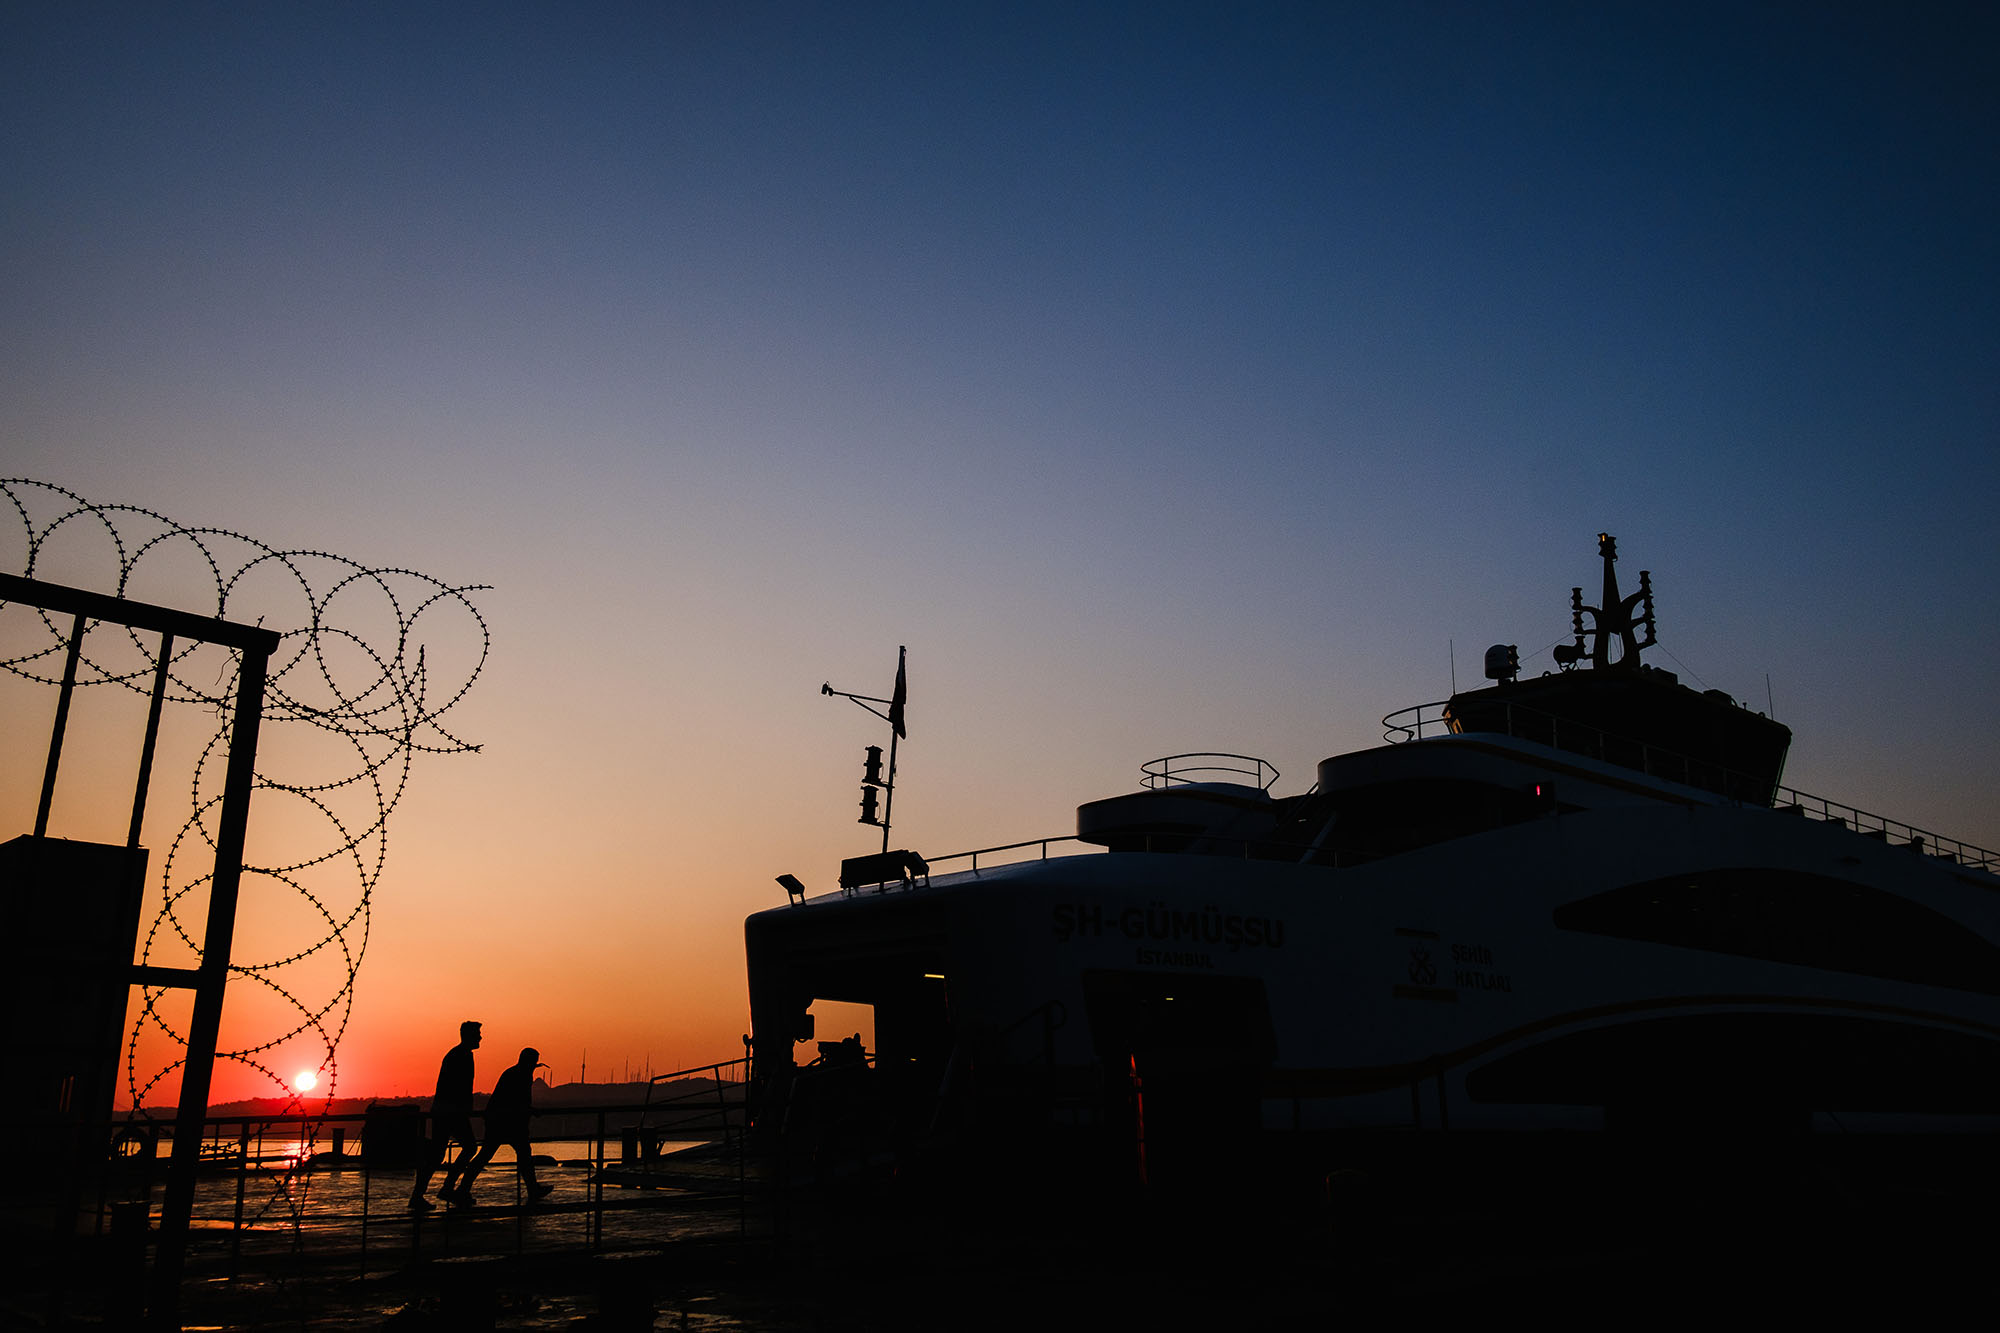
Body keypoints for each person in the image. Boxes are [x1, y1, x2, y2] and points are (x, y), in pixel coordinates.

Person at [460, 1047, 554, 1203]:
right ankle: (533, 1189)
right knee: (521, 1155)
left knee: (489, 1155)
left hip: (499, 1121)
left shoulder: (513, 1073)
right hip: (508, 1123)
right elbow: (518, 1101)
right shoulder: (521, 1075)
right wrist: (530, 1111)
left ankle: (463, 1189)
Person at [410, 1020, 481, 1210]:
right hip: (451, 1112)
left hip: (446, 1111)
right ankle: (446, 1188)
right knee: (468, 1147)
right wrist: (465, 1107)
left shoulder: (457, 1054)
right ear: (469, 1036)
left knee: (438, 1154)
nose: (481, 1037)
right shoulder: (461, 1055)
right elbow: (460, 1086)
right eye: (478, 1034)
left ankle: (421, 1194)